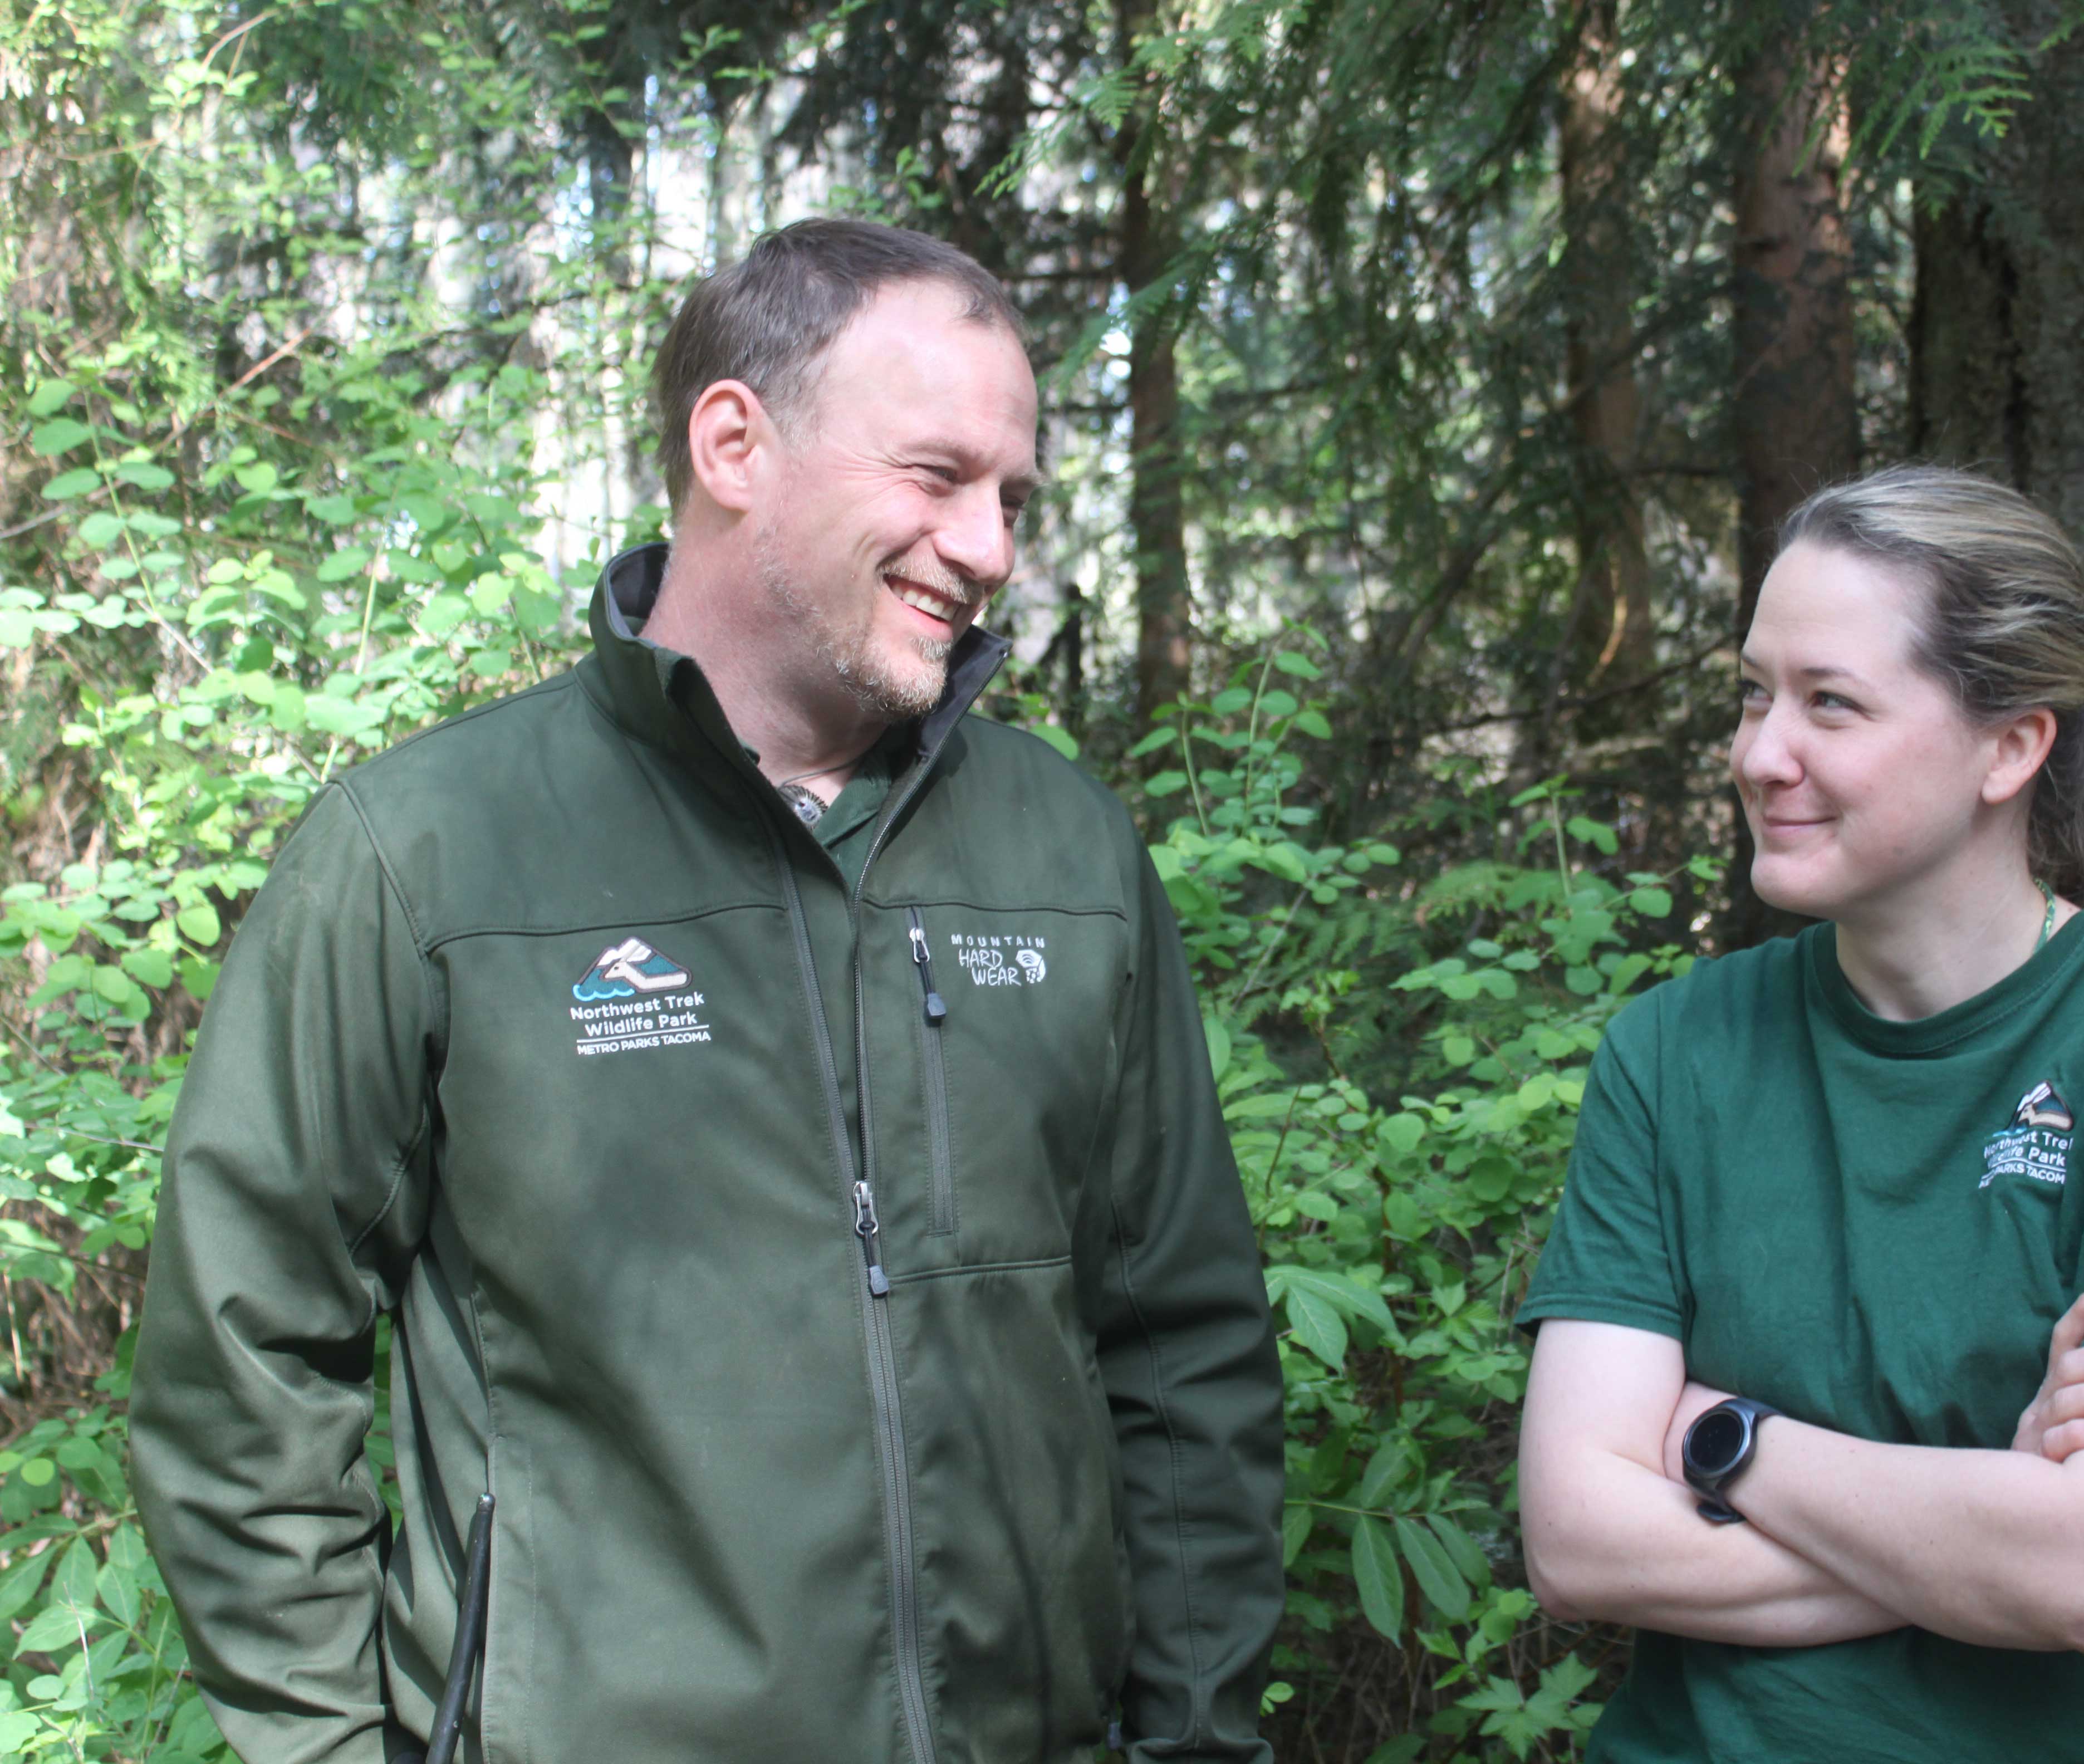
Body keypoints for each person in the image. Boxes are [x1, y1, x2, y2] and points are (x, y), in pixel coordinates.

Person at [131, 220, 1285, 1764]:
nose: (993, 548)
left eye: (1013, 498)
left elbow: (1184, 1350)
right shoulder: (424, 859)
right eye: (936, 477)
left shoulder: (1064, 856)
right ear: (735, 443)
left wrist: (1194, 1740)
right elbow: (244, 1367)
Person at [1516, 465, 2084, 1760]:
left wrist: (1728, 1445)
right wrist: (1996, 1530)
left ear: (2010, 748)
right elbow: (1577, 1540)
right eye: (1753, 695)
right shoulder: (1675, 1051)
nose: (1758, 754)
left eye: (1830, 704)